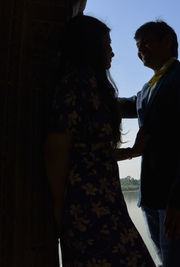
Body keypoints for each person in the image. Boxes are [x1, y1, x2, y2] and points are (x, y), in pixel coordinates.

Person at [44, 15, 155, 266]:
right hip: (86, 204)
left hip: (105, 199)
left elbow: (94, 150)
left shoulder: (93, 86)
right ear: (90, 47)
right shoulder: (75, 85)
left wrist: (132, 152)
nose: (113, 53)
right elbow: (57, 150)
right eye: (107, 45)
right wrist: (60, 207)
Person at [119, 20, 180, 267]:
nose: (141, 52)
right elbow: (126, 104)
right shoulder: (147, 89)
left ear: (167, 42)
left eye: (146, 44)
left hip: (179, 196)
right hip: (151, 195)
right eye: (138, 48)